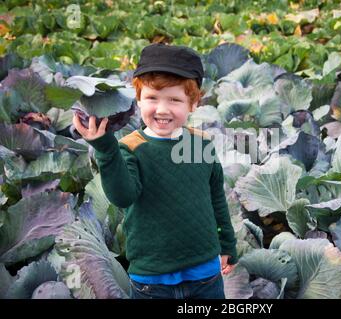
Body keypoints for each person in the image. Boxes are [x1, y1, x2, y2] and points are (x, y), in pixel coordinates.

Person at [72, 43, 238, 299]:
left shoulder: (201, 143)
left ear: (193, 103)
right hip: (152, 279)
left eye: (174, 99)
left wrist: (227, 243)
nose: (162, 109)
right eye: (152, 98)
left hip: (205, 274)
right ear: (137, 99)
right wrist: (106, 148)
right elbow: (122, 196)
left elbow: (216, 197)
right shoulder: (130, 147)